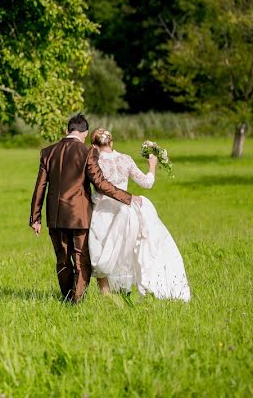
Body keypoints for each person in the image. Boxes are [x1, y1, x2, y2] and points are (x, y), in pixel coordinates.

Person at [30, 114, 141, 303]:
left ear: (67, 131)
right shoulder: (88, 152)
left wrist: (35, 218)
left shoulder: (47, 152)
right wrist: (127, 197)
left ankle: (66, 298)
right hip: (79, 214)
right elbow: (100, 183)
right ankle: (77, 300)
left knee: (62, 259)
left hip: (55, 215)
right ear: (85, 133)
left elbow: (40, 185)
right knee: (81, 259)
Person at [88, 128, 191, 301]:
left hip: (103, 212)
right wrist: (152, 165)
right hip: (125, 211)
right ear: (111, 143)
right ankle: (124, 292)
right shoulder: (126, 159)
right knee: (123, 251)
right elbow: (147, 183)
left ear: (93, 145)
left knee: (102, 251)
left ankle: (105, 295)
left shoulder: (93, 161)